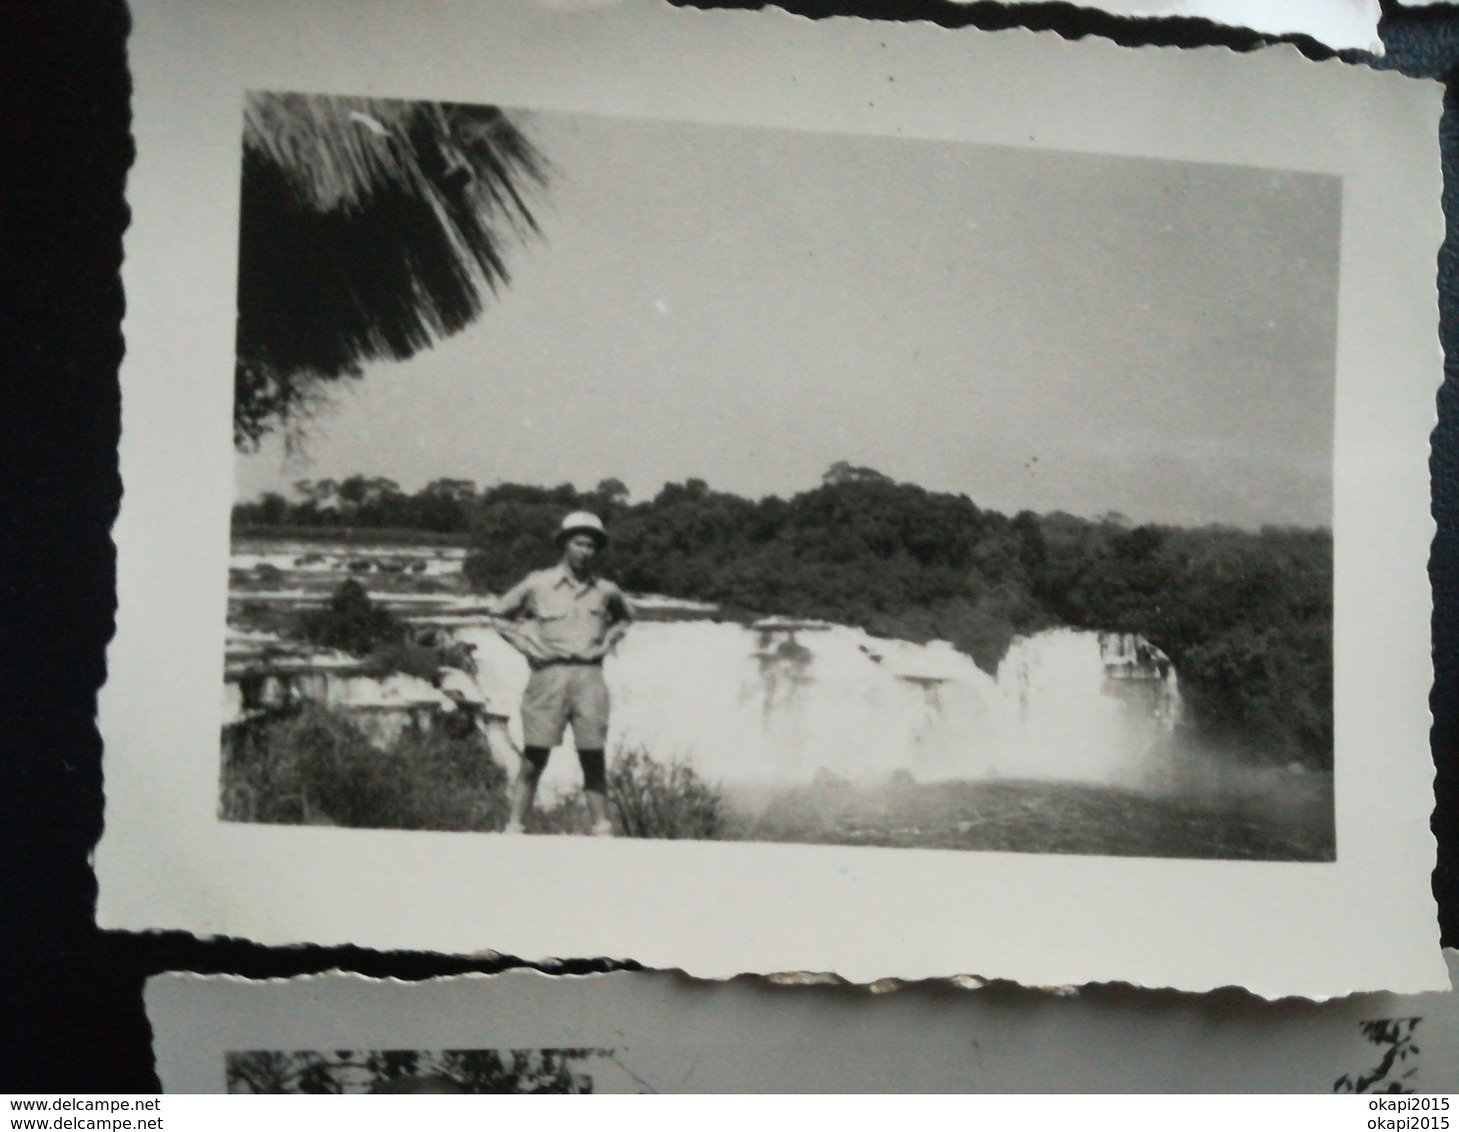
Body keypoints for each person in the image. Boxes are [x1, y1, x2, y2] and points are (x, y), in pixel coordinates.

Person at [487, 511, 633, 836]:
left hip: (589, 679)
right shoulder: (538, 583)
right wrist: (529, 647)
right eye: (579, 543)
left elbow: (625, 618)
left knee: (593, 756)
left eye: (592, 546)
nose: (585, 552)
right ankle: (514, 828)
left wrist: (607, 642)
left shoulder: (606, 590)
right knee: (533, 757)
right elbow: (498, 615)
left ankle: (602, 831)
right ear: (565, 544)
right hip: (547, 678)